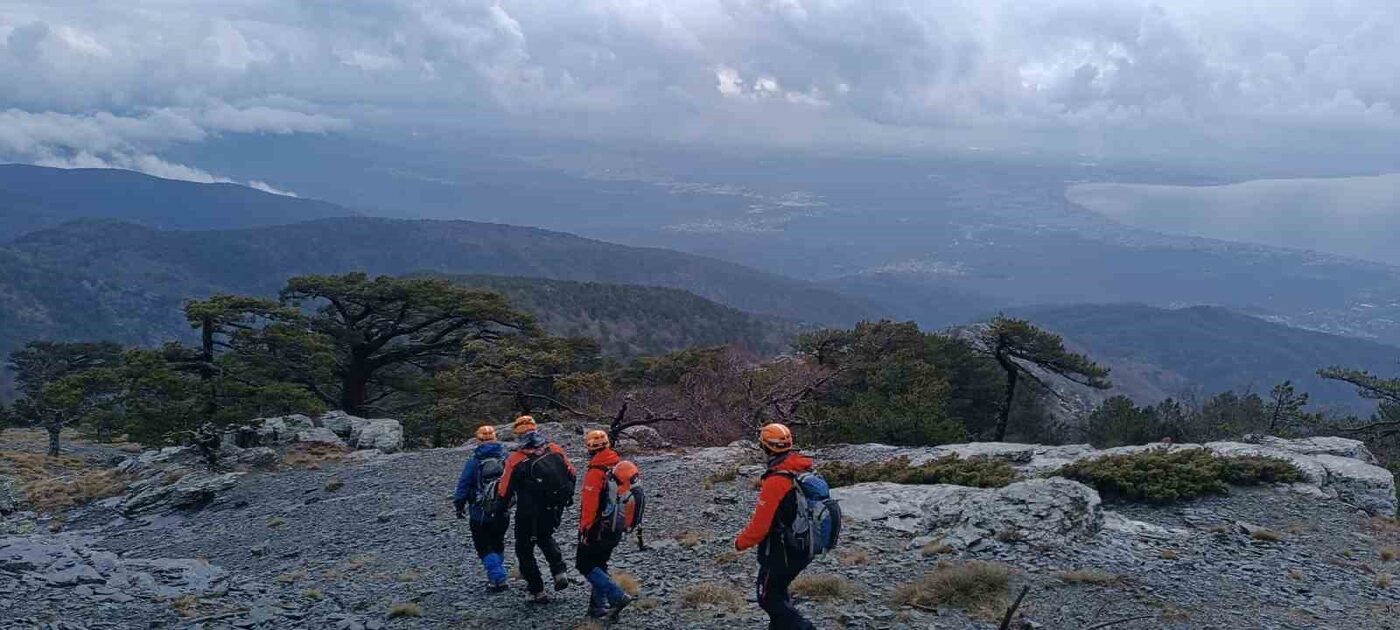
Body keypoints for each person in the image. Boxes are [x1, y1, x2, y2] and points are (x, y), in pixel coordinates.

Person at [734, 423, 817, 630]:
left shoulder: (777, 481)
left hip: (783, 551)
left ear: (766, 447)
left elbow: (760, 526)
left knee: (768, 598)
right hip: (804, 545)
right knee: (778, 592)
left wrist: (740, 543)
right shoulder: (800, 469)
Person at [497, 415, 576, 602]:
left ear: (518, 435)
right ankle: (559, 572)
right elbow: (572, 472)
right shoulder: (554, 449)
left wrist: (501, 509)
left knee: (524, 549)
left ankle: (537, 591)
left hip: (528, 512)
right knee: (545, 536)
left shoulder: (516, 459)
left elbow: (504, 491)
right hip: (554, 507)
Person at [575, 430, 634, 619]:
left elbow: (590, 506)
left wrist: (585, 530)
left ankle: (616, 596)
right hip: (616, 526)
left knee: (583, 564)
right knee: (599, 563)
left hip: (598, 528)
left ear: (589, 447)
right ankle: (598, 607)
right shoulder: (618, 465)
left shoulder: (596, 472)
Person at [453, 425, 510, 592]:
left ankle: (498, 577)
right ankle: (497, 578)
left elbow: (463, 485)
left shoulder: (474, 461)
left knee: (483, 546)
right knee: (498, 543)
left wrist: (459, 505)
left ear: (478, 440)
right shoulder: (506, 458)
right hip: (502, 510)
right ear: (495, 438)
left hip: (480, 512)